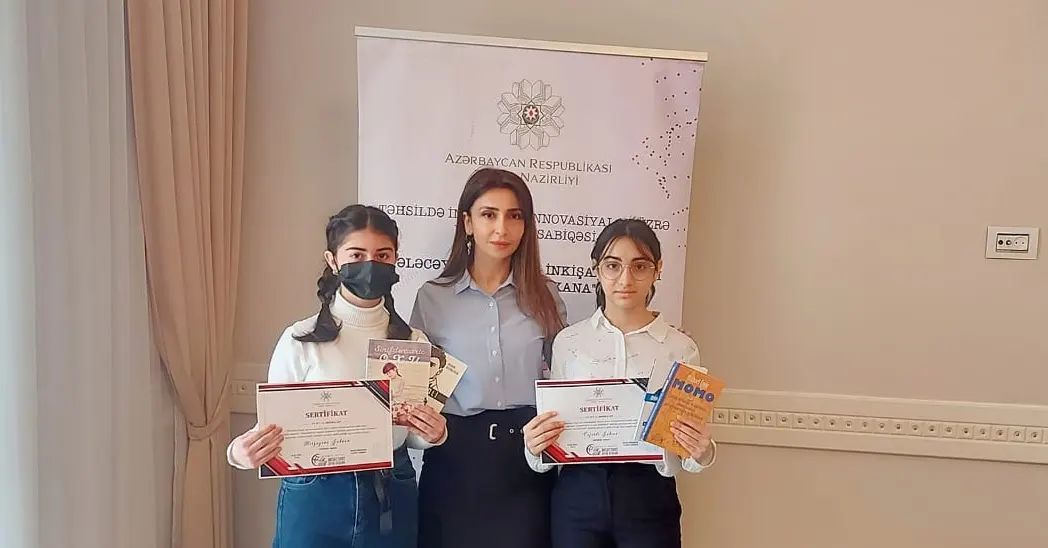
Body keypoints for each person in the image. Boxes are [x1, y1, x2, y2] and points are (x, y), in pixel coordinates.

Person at [226, 205, 447, 548]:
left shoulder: (414, 343)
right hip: (315, 490)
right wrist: (239, 453)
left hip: (390, 487)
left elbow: (411, 435)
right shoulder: (300, 339)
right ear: (332, 260)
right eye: (356, 255)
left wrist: (434, 433)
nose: (370, 264)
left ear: (395, 260)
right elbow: (272, 426)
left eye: (382, 255)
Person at [522, 218, 717, 548]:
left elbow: (687, 453)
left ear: (658, 269)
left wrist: (702, 450)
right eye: (613, 266)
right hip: (578, 494)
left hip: (649, 495)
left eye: (639, 266)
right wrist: (535, 445)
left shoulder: (680, 348)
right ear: (596, 269)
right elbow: (554, 433)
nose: (625, 279)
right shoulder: (569, 343)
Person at [410, 168, 566, 548]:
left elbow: (566, 380)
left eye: (514, 216)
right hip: (454, 458)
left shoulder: (546, 297)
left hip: (526, 459)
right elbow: (414, 389)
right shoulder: (433, 297)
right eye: (488, 214)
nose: (502, 228)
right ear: (467, 222)